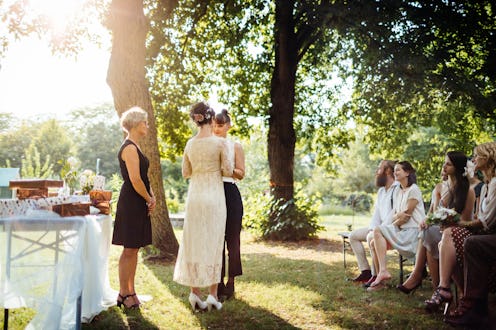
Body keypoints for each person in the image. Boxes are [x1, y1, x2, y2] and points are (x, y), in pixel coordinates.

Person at [173, 102, 233, 311]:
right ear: (210, 118)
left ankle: (194, 293)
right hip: (214, 197)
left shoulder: (190, 144)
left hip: (195, 196)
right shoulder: (220, 143)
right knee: (213, 242)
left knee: (193, 241)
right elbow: (227, 169)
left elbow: (185, 172)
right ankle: (213, 296)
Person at [440, 142, 496, 325]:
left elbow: (484, 222)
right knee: (449, 240)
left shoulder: (494, 183)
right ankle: (466, 300)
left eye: (476, 156)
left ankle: (467, 302)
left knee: (461, 239)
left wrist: (460, 223)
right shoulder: (488, 185)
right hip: (485, 233)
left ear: (487, 159)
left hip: (489, 233)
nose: (473, 159)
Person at [112, 106, 156, 309]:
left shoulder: (136, 146)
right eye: (145, 123)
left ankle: (131, 290)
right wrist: (148, 198)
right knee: (129, 250)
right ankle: (123, 293)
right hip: (131, 202)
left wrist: (151, 196)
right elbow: (135, 179)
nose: (147, 126)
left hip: (138, 201)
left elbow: (144, 178)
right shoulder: (129, 147)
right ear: (138, 124)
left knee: (134, 249)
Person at [424, 151, 475, 313]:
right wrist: (433, 220)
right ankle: (439, 289)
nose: (444, 166)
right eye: (445, 163)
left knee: (441, 240)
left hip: (463, 233)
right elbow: (436, 213)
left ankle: (442, 290)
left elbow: (465, 222)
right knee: (428, 233)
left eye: (448, 164)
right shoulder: (445, 188)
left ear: (458, 168)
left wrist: (448, 222)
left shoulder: (468, 190)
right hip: (446, 232)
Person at [367, 161, 425, 291]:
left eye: (398, 170)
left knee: (377, 230)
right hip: (401, 231)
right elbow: (396, 215)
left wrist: (395, 221)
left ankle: (382, 272)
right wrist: (397, 218)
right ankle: (381, 281)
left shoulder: (414, 189)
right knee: (372, 243)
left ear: (407, 173)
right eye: (395, 170)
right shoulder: (399, 190)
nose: (395, 172)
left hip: (413, 234)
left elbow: (406, 216)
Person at [397, 169, 448, 293]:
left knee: (427, 235)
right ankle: (431, 285)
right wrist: (426, 220)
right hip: (435, 230)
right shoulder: (438, 187)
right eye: (442, 166)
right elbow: (431, 213)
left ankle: (418, 275)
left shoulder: (459, 189)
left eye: (448, 165)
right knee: (426, 232)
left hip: (447, 229)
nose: (443, 169)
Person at [213, 109, 245, 300]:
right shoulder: (208, 145)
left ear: (228, 126)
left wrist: (228, 168)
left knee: (232, 240)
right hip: (212, 193)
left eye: (221, 125)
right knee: (216, 241)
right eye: (215, 125)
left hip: (230, 192)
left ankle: (231, 282)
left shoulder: (236, 146)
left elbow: (241, 173)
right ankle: (217, 283)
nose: (217, 129)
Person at [348, 160, 397, 284]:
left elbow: (394, 214)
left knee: (371, 236)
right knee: (353, 236)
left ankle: (376, 276)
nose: (376, 172)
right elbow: (377, 213)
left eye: (379, 168)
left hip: (391, 229)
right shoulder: (381, 191)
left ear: (388, 171)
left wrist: (378, 230)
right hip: (378, 228)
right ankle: (366, 272)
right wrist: (373, 228)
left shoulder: (397, 189)